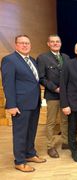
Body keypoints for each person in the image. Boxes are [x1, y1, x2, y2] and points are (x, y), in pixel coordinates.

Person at [1, 35, 46, 172]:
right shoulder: (9, 60)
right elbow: (8, 84)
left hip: (34, 103)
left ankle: (30, 154)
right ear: (16, 45)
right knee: (20, 133)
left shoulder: (31, 60)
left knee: (31, 131)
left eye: (27, 43)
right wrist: (11, 105)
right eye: (22, 43)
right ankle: (19, 161)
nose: (25, 45)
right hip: (20, 104)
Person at [37, 35, 70, 158]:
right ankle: (50, 146)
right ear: (48, 44)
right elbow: (41, 78)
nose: (55, 43)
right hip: (52, 95)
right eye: (52, 42)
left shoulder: (66, 57)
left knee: (65, 120)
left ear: (61, 44)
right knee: (51, 122)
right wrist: (55, 88)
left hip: (66, 96)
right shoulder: (42, 58)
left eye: (57, 42)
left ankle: (66, 142)